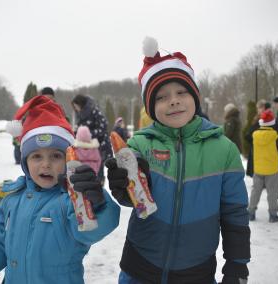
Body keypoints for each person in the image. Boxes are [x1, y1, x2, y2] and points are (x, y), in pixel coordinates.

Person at [106, 37, 250, 284]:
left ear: (195, 96)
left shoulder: (224, 149)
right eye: (161, 97)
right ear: (151, 107)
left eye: (181, 92)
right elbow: (132, 198)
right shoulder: (140, 144)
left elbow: (234, 212)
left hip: (196, 271)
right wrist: (122, 186)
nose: (173, 100)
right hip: (139, 267)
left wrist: (237, 265)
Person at [0, 96, 120, 283]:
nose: (46, 164)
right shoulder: (13, 199)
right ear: (25, 162)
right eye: (37, 156)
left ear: (68, 160)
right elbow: (0, 241)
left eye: (56, 156)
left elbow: (89, 230)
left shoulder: (71, 200)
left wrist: (97, 204)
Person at [248, 109, 278, 223]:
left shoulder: (255, 135)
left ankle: (251, 212)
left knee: (255, 191)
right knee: (272, 192)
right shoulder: (275, 136)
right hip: (272, 169)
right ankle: (273, 215)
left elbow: (252, 151)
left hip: (258, 168)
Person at [71, 94, 113, 183]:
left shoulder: (94, 111)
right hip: (86, 146)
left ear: (80, 104)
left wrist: (88, 135)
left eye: (76, 106)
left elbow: (103, 125)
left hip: (99, 144)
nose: (75, 108)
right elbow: (81, 128)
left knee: (98, 165)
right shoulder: (80, 114)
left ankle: (99, 181)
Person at [245, 99, 270, 177]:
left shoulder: (266, 118)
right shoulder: (257, 118)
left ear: (263, 108)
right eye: (257, 108)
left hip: (260, 146)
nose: (258, 110)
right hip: (255, 145)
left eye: (259, 108)